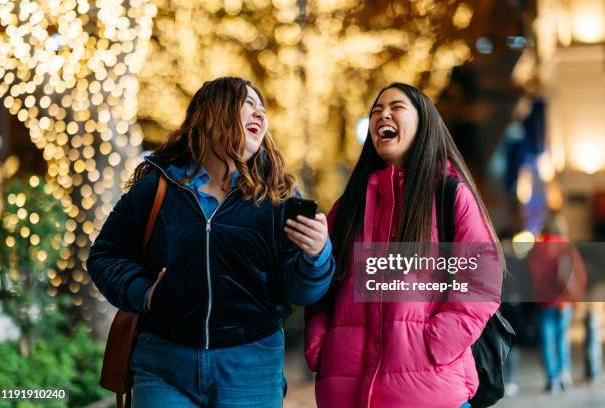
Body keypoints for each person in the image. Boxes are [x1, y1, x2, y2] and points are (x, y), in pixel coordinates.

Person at [88, 76, 334, 407]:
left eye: (262, 108)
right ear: (213, 112)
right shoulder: (157, 188)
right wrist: (144, 292)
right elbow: (105, 256)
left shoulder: (278, 197)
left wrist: (316, 255)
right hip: (163, 361)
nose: (260, 114)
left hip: (251, 365)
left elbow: (300, 292)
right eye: (248, 104)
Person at [304, 82, 502, 408]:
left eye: (396, 106)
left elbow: (481, 282)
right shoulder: (348, 205)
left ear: (423, 123)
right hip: (345, 387)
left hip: (430, 390)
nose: (383, 114)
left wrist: (435, 344)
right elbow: (324, 283)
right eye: (376, 110)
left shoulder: (448, 196)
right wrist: (320, 346)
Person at [527, 212, 586, 394]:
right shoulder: (566, 246)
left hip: (544, 303)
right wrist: (574, 299)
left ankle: (551, 378)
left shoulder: (536, 249)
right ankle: (563, 373)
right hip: (564, 303)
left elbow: (529, 277)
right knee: (562, 338)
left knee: (547, 340)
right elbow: (580, 274)